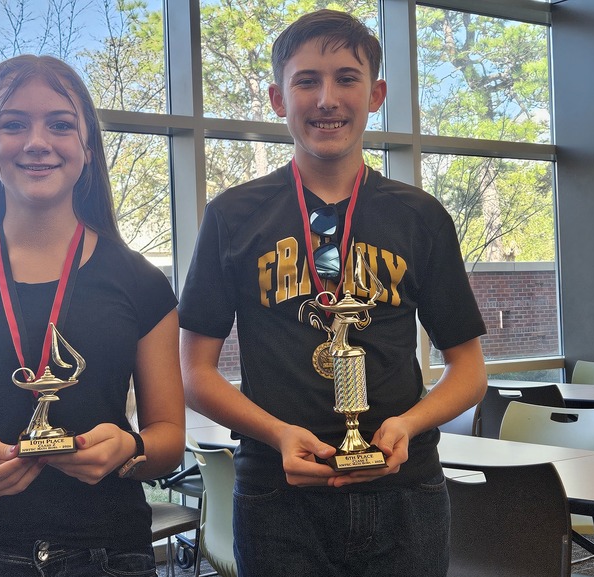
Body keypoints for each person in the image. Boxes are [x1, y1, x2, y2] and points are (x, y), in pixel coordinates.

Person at [178, 10, 487, 577]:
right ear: (277, 98)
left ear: (376, 94)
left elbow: (468, 369)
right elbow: (195, 373)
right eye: (306, 81)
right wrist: (276, 434)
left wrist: (408, 426)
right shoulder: (233, 215)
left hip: (406, 494)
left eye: (347, 78)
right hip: (277, 497)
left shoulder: (421, 217)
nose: (327, 98)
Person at [0, 54, 184, 577]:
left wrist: (129, 447)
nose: (37, 142)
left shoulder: (141, 282)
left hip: (111, 554)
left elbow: (168, 439)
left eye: (60, 124)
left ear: (87, 147)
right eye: (13, 124)